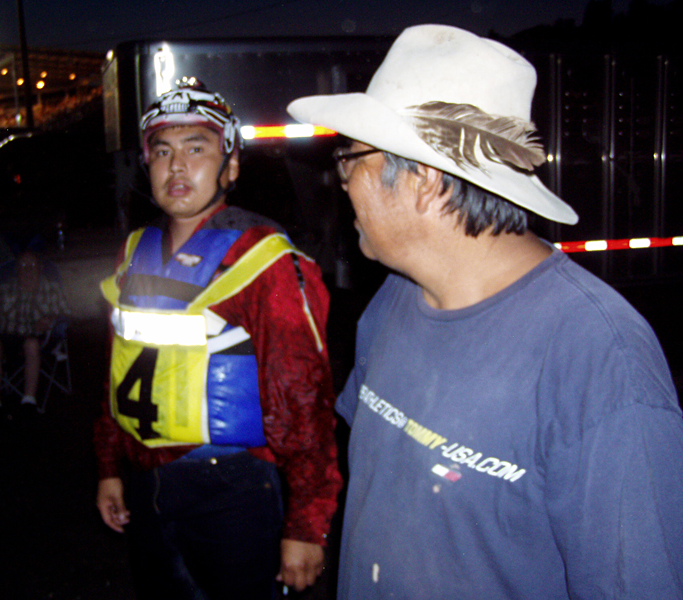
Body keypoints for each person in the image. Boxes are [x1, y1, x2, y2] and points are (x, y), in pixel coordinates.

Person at [287, 24, 683, 600]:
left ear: (423, 180)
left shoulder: (600, 362)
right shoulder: (396, 297)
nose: (340, 180)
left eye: (351, 159)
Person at [94, 77, 342, 600]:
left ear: (230, 166)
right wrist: (110, 466)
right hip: (146, 479)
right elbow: (121, 363)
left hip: (232, 491)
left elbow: (304, 397)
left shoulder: (264, 260)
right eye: (161, 151)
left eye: (196, 148)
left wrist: (305, 523)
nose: (176, 166)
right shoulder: (135, 248)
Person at [0, 250, 70, 411]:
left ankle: (29, 400)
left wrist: (51, 319)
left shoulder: (52, 288)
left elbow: (66, 313)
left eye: (32, 265)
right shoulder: (5, 289)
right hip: (7, 336)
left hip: (38, 337)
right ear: (16, 269)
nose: (28, 270)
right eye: (23, 265)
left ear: (40, 268)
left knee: (31, 344)